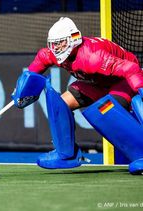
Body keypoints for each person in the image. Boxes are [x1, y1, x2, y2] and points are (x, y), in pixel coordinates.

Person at [11, 17, 143, 175]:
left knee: (105, 110)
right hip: (97, 83)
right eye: (54, 43)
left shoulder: (93, 57)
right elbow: (34, 69)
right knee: (61, 103)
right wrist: (21, 91)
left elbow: (131, 68)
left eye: (61, 42)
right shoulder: (52, 54)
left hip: (123, 82)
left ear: (74, 39)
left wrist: (141, 89)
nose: (57, 47)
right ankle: (66, 154)